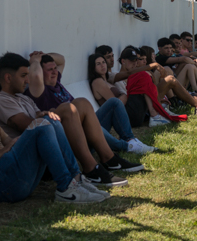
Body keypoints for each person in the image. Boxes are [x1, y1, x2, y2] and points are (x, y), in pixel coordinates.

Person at [0, 70, 107, 204]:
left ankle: (76, 179)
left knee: (50, 120)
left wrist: (30, 136)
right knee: (42, 125)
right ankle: (66, 188)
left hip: (13, 172)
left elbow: (9, 143)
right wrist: (1, 153)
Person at [0, 52, 138, 187]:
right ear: (8, 78)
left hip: (53, 145)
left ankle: (109, 158)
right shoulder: (1, 100)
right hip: (36, 157)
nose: (27, 80)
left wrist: (47, 113)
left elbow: (38, 115)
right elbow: (31, 126)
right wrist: (52, 114)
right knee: (68, 109)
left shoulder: (23, 98)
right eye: (23, 75)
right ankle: (92, 168)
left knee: (82, 103)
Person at [26, 51, 148, 181]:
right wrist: (35, 60)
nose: (54, 72)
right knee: (77, 105)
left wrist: (42, 55)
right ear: (41, 73)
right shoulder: (39, 90)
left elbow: (61, 59)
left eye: (55, 68)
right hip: (70, 138)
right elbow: (35, 76)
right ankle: (122, 148)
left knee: (109, 103)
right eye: (49, 70)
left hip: (84, 133)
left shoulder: (57, 82)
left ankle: (125, 144)